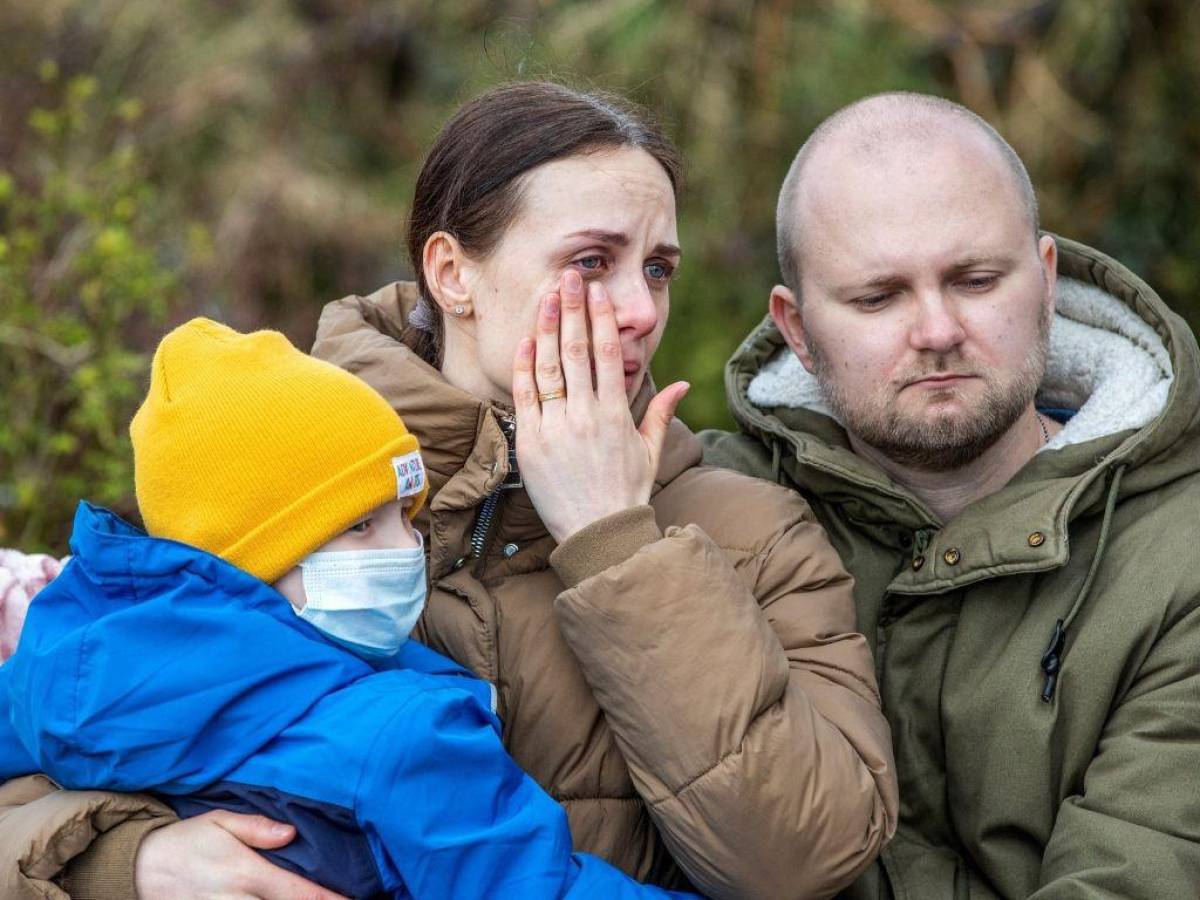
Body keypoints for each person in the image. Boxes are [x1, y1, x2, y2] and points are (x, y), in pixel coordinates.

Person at [0, 82, 898, 900]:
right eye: (592, 261)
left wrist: (616, 541)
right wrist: (127, 864)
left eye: (657, 268)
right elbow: (74, 731)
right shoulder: (274, 463)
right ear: (452, 273)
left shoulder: (752, 525)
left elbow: (804, 862)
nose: (639, 309)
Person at [2, 317, 699, 900]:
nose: (406, 548)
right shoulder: (404, 736)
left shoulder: (55, 678)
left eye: (404, 515)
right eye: (362, 526)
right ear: (254, 556)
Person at [701, 92, 1200, 898]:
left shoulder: (1181, 556)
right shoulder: (705, 512)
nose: (936, 331)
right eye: (878, 297)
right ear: (795, 328)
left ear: (1044, 279)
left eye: (974, 279)